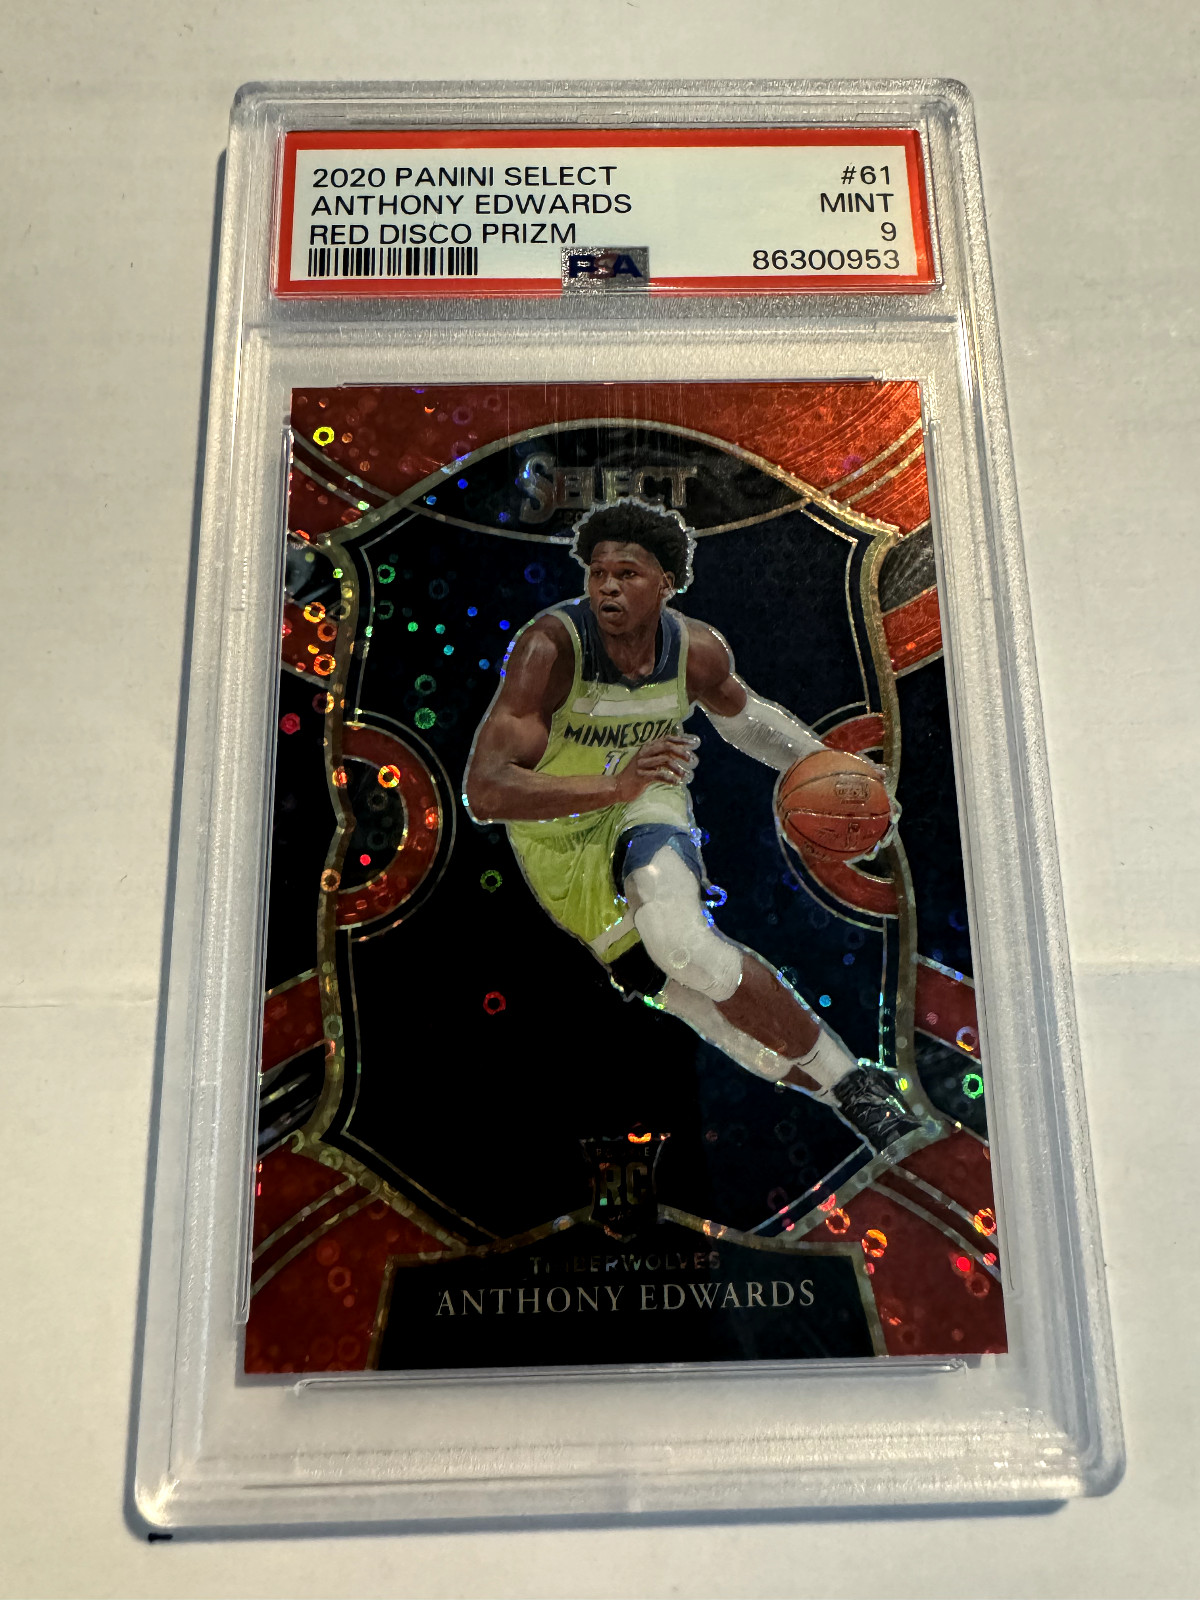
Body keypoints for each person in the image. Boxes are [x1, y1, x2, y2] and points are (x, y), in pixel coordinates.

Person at [464, 499, 921, 1151]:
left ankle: (855, 1091)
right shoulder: (551, 649)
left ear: (667, 584)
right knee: (719, 1022)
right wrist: (614, 784)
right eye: (598, 573)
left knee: (682, 943)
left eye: (627, 573)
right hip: (558, 843)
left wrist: (843, 775)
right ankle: (847, 1087)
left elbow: (750, 721)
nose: (608, 587)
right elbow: (486, 791)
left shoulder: (694, 650)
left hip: (646, 807)